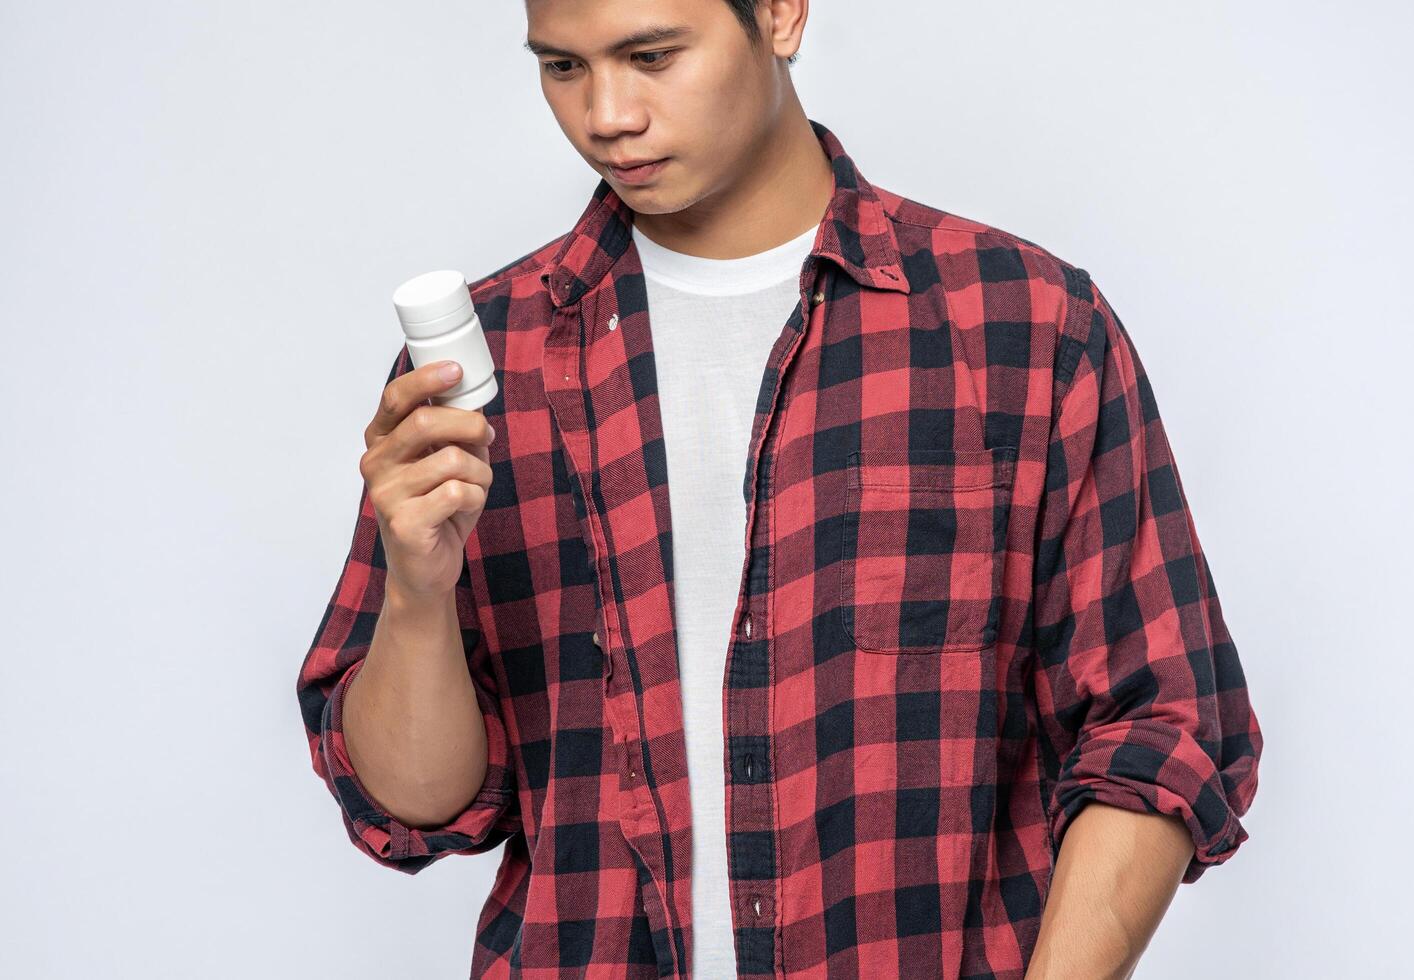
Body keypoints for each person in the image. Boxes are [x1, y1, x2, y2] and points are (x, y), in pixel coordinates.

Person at [294, 1, 1264, 977]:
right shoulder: (488, 362)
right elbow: (413, 806)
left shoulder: (1018, 323)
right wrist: (417, 592)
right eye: (562, 67)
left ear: (781, 16)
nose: (606, 114)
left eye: (650, 56)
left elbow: (1157, 725)